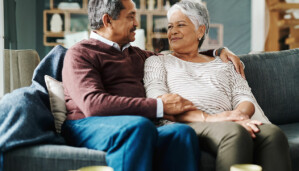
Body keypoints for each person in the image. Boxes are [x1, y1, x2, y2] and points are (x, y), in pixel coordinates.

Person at [62, 0, 244, 171]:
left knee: (181, 132)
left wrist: (217, 51)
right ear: (108, 20)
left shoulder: (137, 55)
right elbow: (93, 105)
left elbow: (178, 56)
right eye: (131, 16)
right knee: (139, 126)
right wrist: (159, 106)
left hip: (138, 126)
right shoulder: (80, 53)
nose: (136, 23)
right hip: (87, 124)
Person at [143, 1, 292, 171]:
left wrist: (237, 116)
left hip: (228, 121)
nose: (172, 31)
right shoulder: (157, 61)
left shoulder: (225, 63)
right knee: (234, 133)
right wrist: (222, 120)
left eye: (180, 25)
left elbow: (244, 97)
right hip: (186, 123)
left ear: (201, 30)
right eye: (170, 27)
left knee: (273, 135)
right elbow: (158, 101)